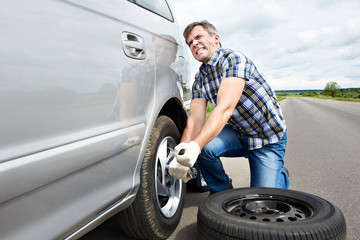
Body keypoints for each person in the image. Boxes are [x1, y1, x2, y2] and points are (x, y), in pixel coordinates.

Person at [169, 20, 289, 194]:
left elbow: (225, 109)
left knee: (264, 198)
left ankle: (279, 174)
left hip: (267, 139)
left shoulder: (233, 59)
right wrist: (182, 154)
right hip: (239, 133)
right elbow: (195, 121)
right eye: (190, 43)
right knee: (202, 148)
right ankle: (222, 192)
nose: (194, 43)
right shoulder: (200, 79)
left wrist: (195, 146)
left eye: (198, 37)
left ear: (216, 39)